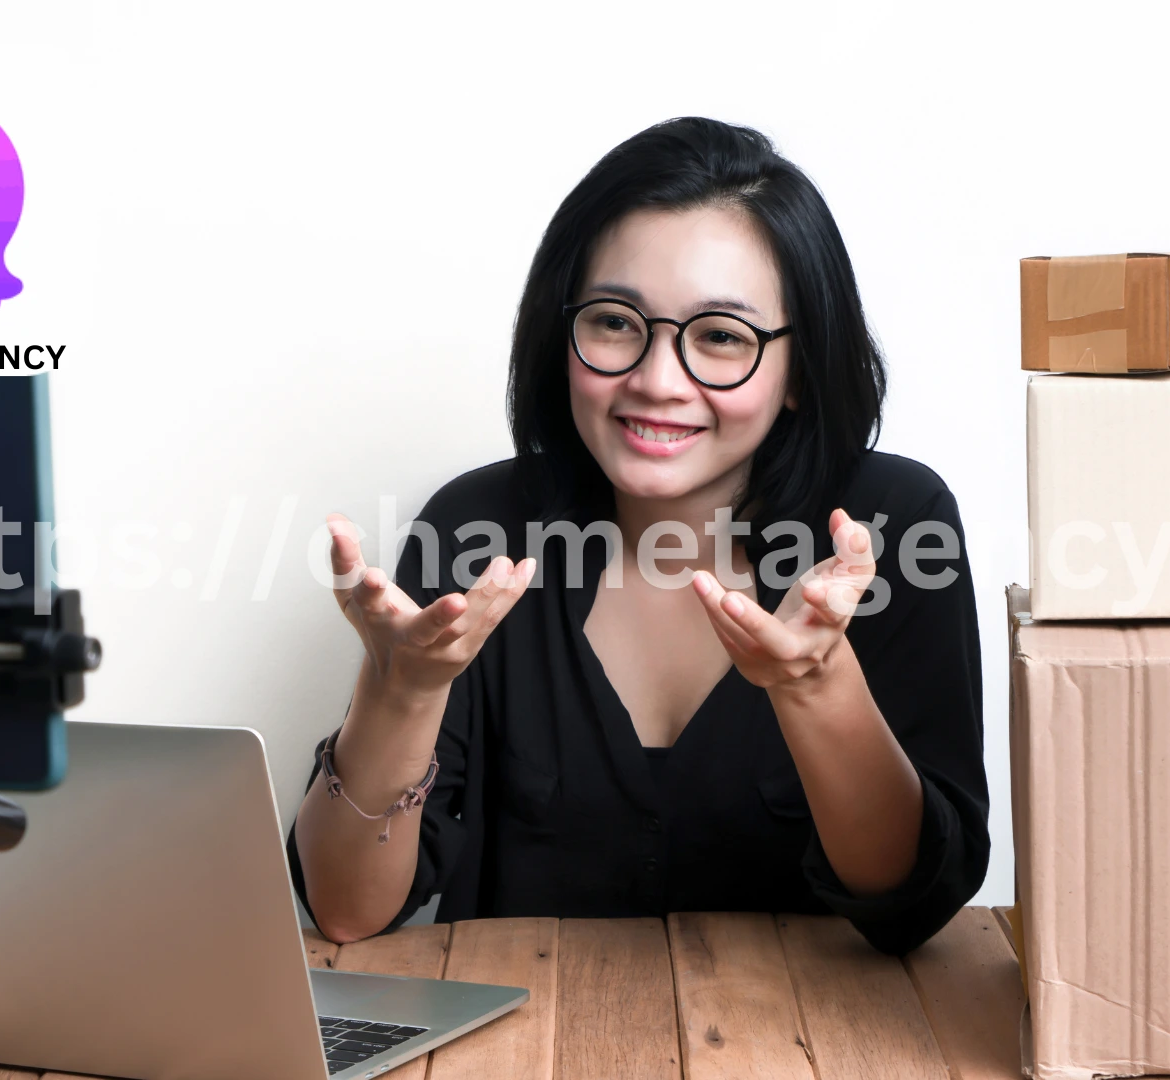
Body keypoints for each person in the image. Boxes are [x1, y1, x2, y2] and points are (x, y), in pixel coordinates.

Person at [290, 117, 986, 956]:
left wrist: (815, 682)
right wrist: (397, 693)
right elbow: (347, 914)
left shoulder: (892, 528)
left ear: (798, 368)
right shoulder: (479, 531)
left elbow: (911, 904)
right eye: (616, 322)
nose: (657, 382)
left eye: (722, 337)